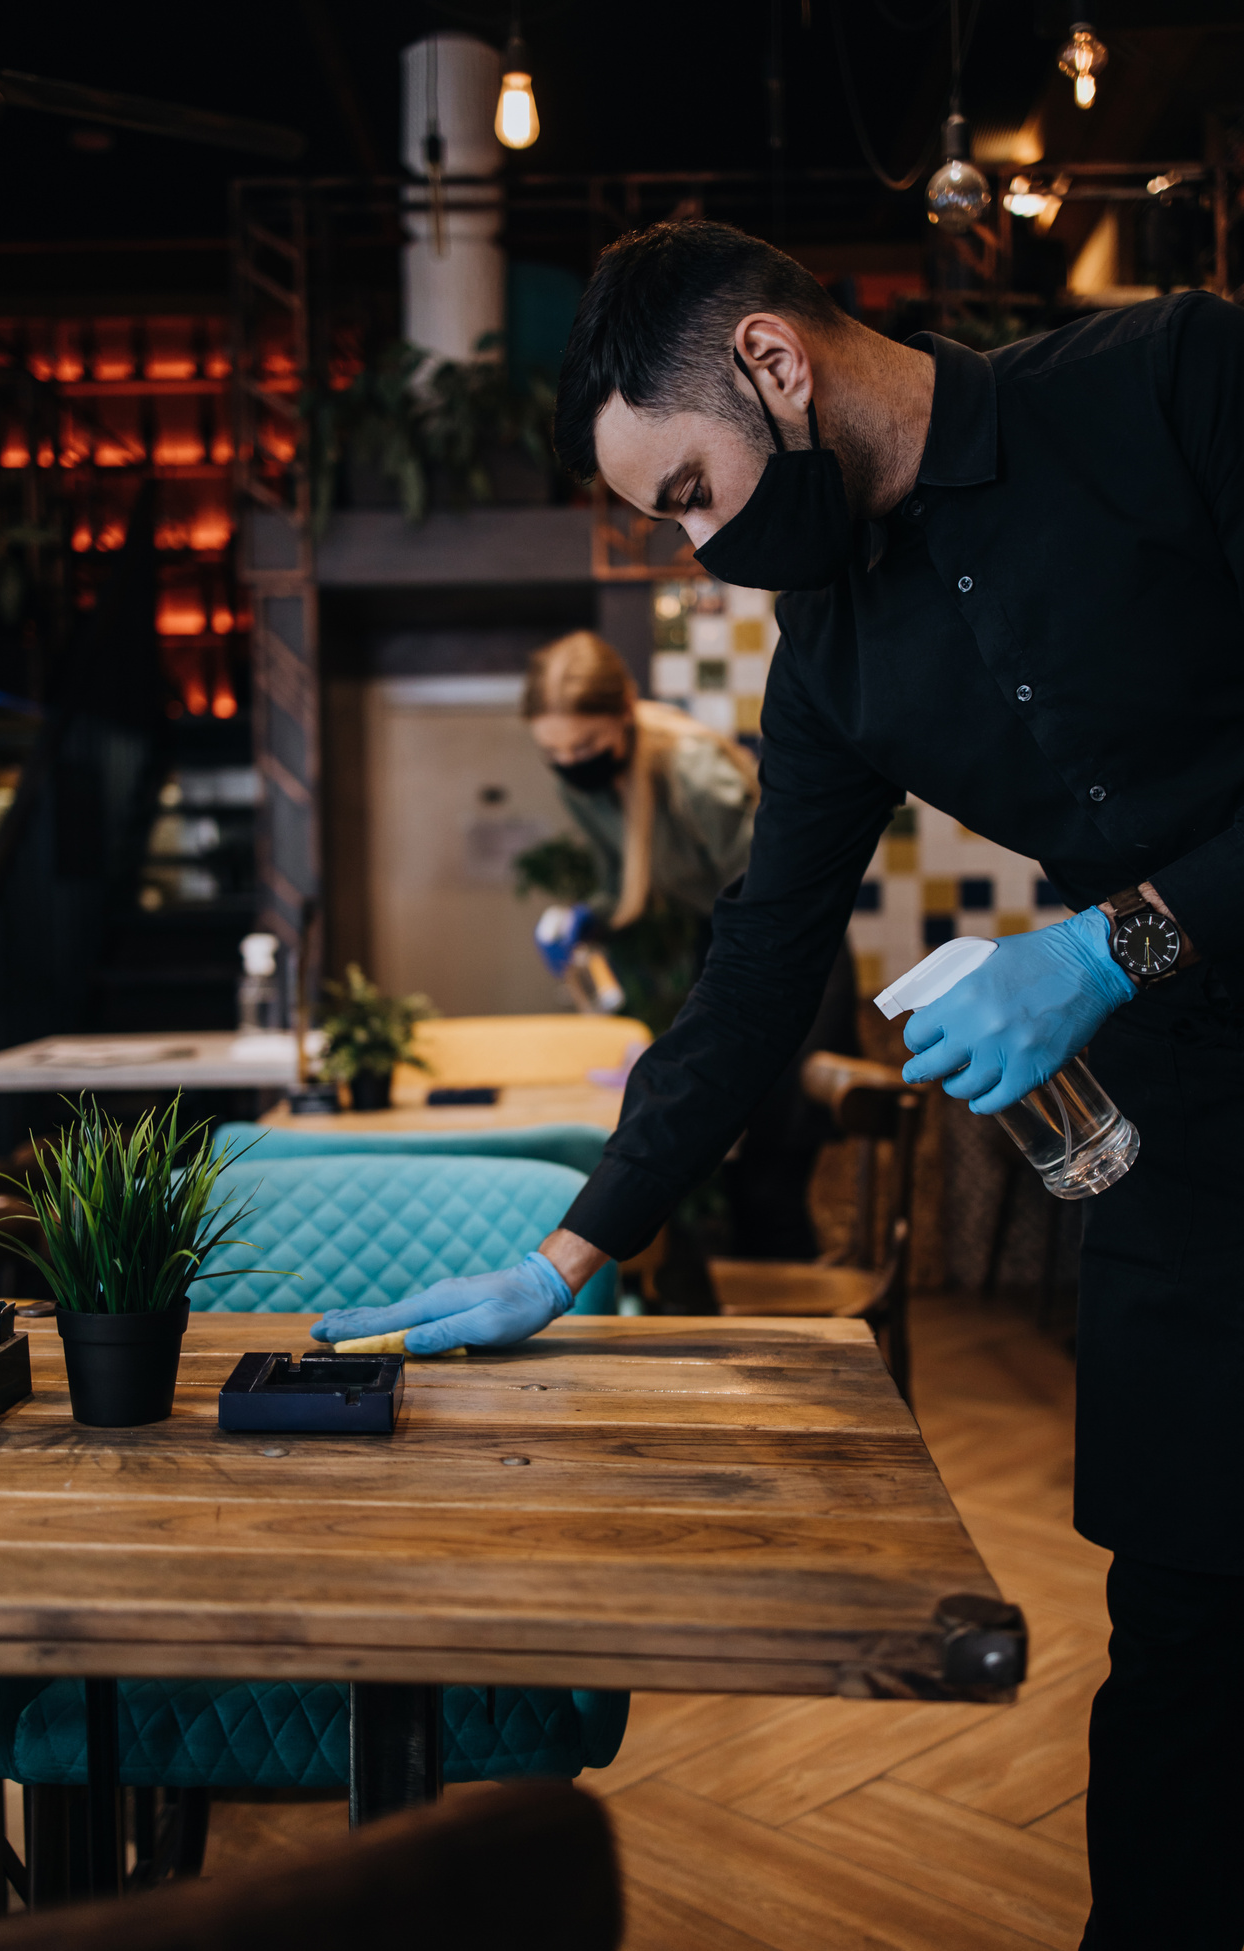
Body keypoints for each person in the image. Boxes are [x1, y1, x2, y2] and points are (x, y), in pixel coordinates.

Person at [313, 220, 1244, 1947]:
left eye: (685, 493)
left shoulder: (1172, 381)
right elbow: (750, 973)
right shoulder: (832, 660)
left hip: (1157, 1002)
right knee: (1187, 1642)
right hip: (1188, 1145)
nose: (692, 546)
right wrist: (569, 1253)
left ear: (772, 363)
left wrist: (1118, 944)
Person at [521, 629, 859, 1260]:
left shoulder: (691, 769)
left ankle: (808, 1342)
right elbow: (627, 884)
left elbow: (774, 893)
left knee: (772, 1176)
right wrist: (585, 922)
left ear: (624, 712)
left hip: (787, 952)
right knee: (725, 1167)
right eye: (555, 753)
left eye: (587, 745)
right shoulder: (582, 782)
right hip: (723, 945)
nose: (572, 764)